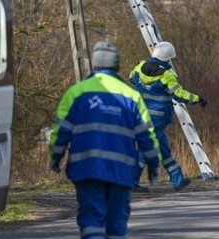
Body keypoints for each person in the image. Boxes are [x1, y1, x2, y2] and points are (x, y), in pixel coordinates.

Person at [49, 41, 161, 239]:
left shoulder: (76, 93)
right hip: (121, 172)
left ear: (94, 66)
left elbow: (61, 132)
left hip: (87, 170)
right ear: (117, 67)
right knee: (117, 223)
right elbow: (147, 135)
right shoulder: (132, 96)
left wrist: (55, 158)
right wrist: (153, 164)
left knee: (91, 219)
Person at [130, 41, 208, 191]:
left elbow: (132, 78)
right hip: (158, 119)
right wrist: (198, 99)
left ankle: (178, 180)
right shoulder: (167, 75)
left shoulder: (139, 68)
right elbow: (179, 94)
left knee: (164, 148)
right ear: (168, 58)